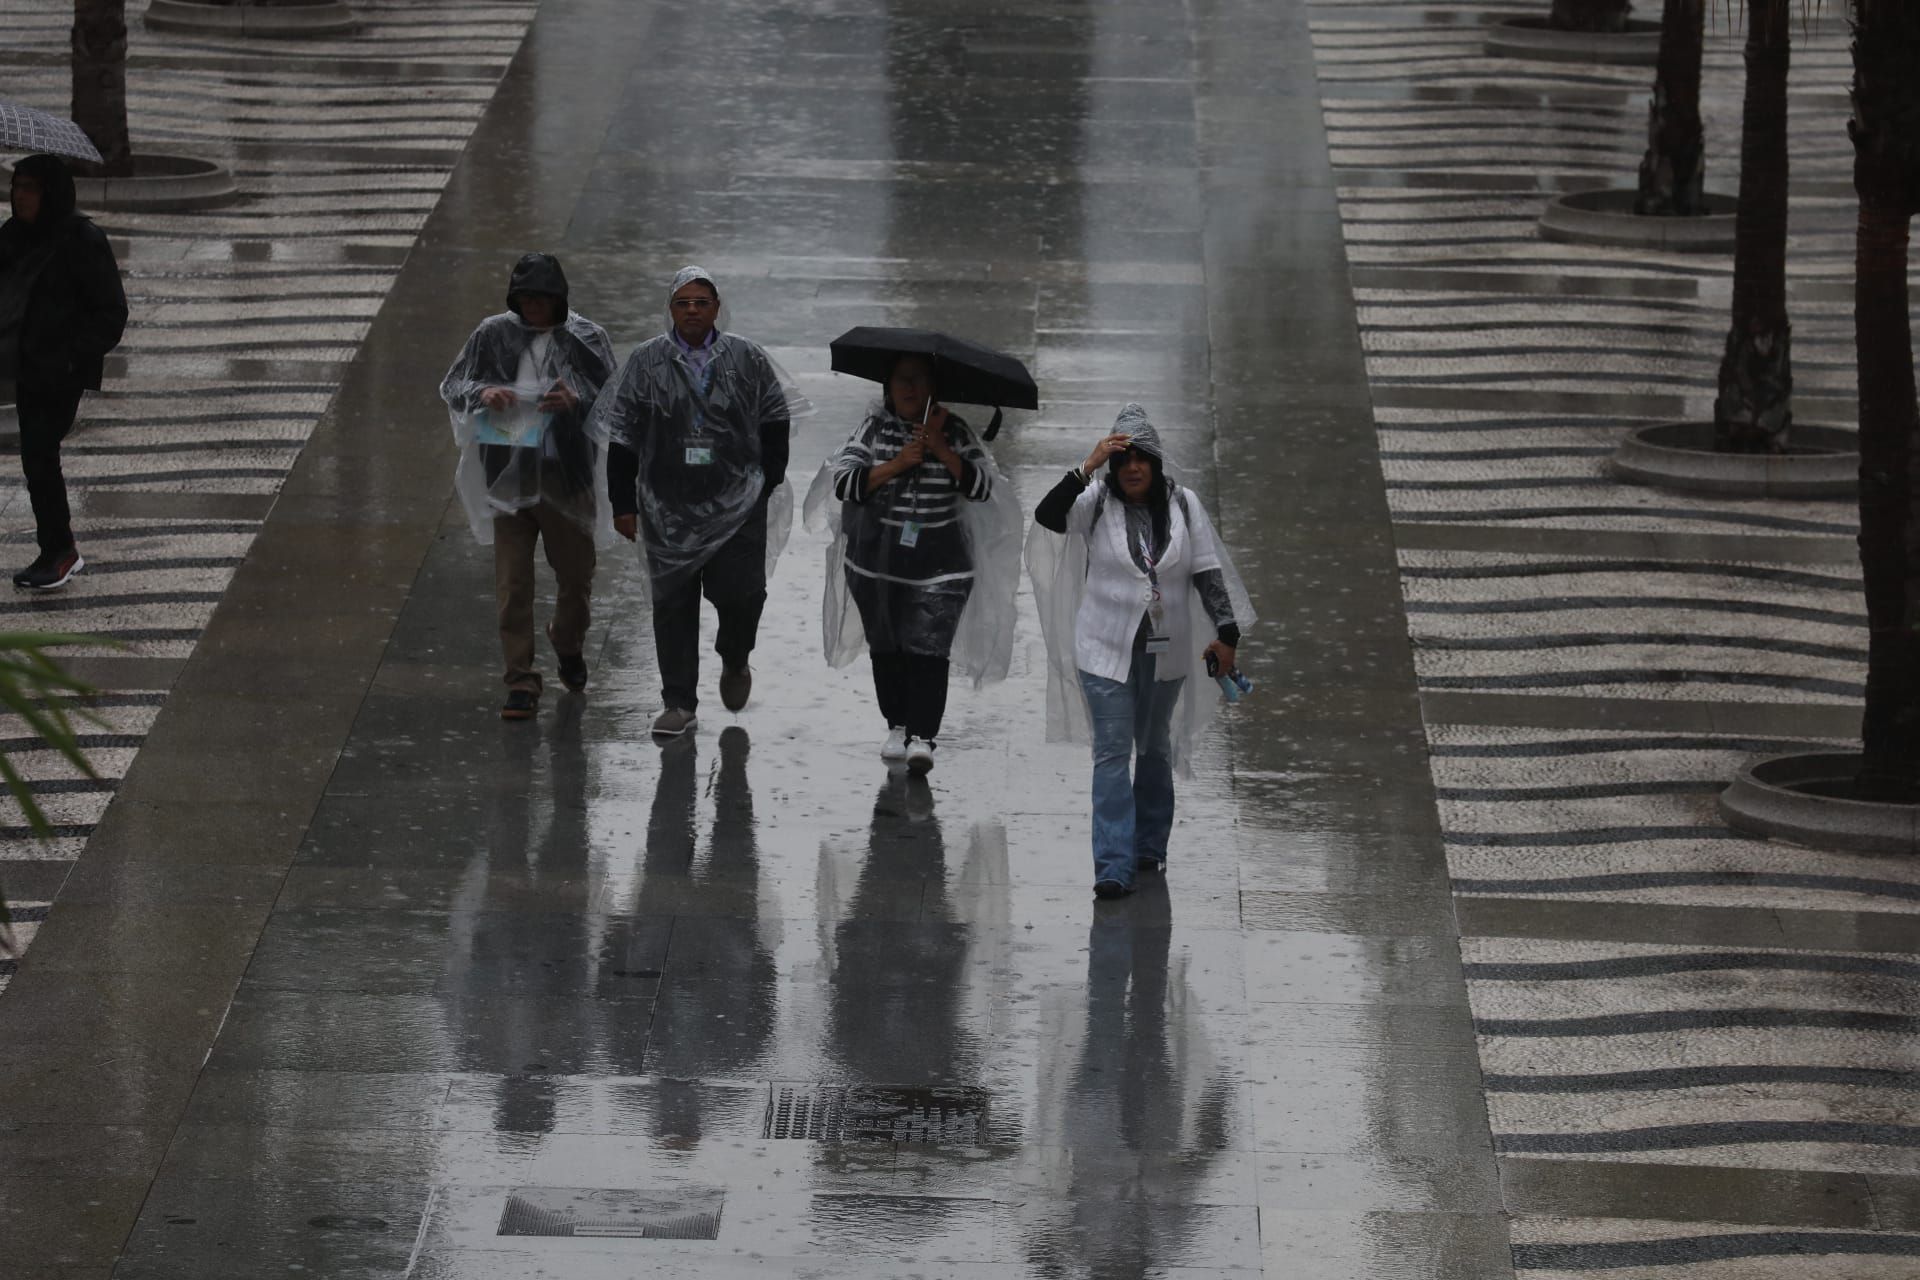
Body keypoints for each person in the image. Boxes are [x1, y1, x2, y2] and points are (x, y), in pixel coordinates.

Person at [1028, 404, 1252, 899]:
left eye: (1142, 459)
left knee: (1152, 748)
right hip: (1103, 650)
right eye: (1123, 458)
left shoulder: (1184, 505)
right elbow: (1047, 515)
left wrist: (1227, 635)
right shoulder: (1094, 502)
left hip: (1164, 651)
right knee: (1111, 754)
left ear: (1155, 464)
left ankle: (1149, 846)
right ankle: (1112, 864)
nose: (1132, 468)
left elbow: (1208, 576)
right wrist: (1087, 464)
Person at [599, 266, 810, 739]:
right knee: (672, 604)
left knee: (743, 594)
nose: (692, 310)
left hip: (737, 506)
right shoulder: (647, 362)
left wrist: (766, 481)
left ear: (717, 309)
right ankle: (678, 701)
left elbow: (776, 418)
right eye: (683, 303)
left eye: (701, 302)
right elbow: (624, 434)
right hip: (666, 505)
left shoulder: (745, 358)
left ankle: (735, 656)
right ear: (670, 310)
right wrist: (622, 502)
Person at [802, 354, 1021, 774]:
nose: (909, 390)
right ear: (889, 387)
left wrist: (940, 449)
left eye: (918, 382)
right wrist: (898, 464)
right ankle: (897, 724)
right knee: (887, 649)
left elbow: (981, 487)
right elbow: (845, 482)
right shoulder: (873, 428)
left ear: (932, 389)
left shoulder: (955, 432)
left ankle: (923, 735)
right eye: (902, 381)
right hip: (876, 565)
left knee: (929, 649)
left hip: (943, 565)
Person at [439, 252, 616, 720]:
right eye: (524, 299)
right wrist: (482, 393)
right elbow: (455, 383)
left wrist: (576, 400)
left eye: (541, 299)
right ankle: (520, 679)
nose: (532, 307)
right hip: (507, 477)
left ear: (559, 299)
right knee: (512, 584)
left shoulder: (588, 338)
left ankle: (568, 640)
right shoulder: (492, 333)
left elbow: (616, 401)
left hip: (566, 478)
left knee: (576, 578)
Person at [0, 154, 127, 590]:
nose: (20, 195)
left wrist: (71, 357)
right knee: (36, 459)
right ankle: (56, 548)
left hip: (59, 371)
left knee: (39, 453)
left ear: (52, 192)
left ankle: (60, 551)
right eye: (17, 185)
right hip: (23, 363)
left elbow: (111, 312)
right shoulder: (14, 236)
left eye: (31, 187)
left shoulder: (81, 239)